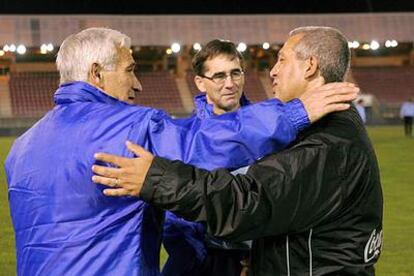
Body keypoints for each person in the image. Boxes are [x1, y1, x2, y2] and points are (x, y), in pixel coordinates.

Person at [4, 27, 358, 275]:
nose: (138, 84)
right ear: (96, 74)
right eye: (130, 70)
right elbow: (204, 145)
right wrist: (296, 112)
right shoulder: (130, 127)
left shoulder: (21, 148)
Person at [93, 26, 383, 275]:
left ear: (309, 66)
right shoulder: (302, 129)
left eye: (281, 60)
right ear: (200, 82)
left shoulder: (323, 141)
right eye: (219, 76)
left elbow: (246, 201)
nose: (273, 70)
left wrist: (155, 178)